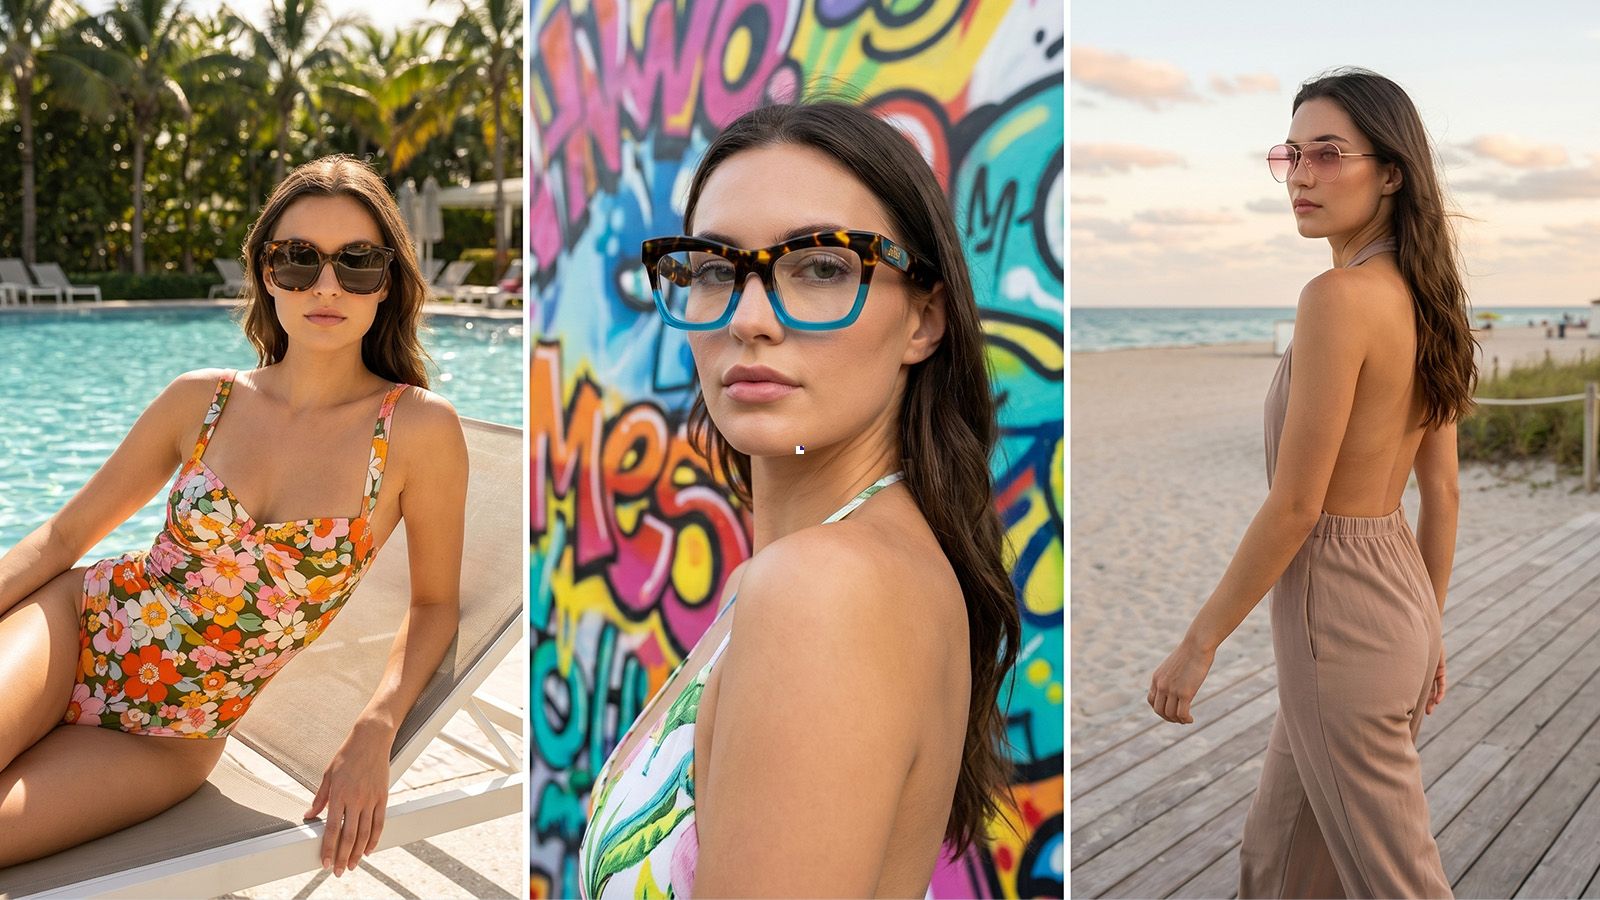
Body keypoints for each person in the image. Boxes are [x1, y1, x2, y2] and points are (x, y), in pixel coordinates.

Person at [577, 100, 1021, 897]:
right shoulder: (841, 566)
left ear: (924, 319)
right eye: (714, 268)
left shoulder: (824, 588)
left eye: (821, 266)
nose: (750, 318)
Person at [0, 155, 469, 877]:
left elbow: (436, 603)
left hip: (173, 735)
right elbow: (64, 535)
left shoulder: (416, 431)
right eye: (297, 260)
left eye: (357, 263)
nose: (324, 285)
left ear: (388, 283)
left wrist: (374, 730)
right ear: (264, 271)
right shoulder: (203, 399)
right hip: (79, 626)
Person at [1147, 69, 1477, 898]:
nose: (1300, 175)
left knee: (1398, 881)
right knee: (1278, 862)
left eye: (1328, 154)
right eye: (1291, 155)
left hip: (1340, 623)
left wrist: (1199, 642)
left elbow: (1298, 505)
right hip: (1397, 602)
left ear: (1391, 171)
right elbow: (1441, 495)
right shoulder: (1429, 301)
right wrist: (1429, 625)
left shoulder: (1336, 297)